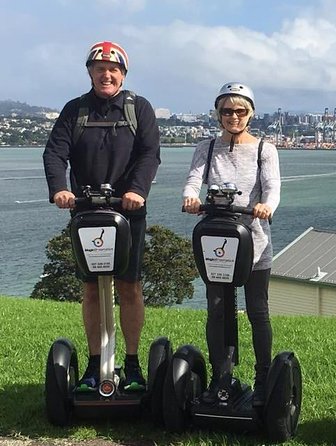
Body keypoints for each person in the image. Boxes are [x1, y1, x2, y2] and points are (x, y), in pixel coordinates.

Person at [43, 41, 161, 391]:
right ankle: (95, 366)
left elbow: (150, 153)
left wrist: (137, 190)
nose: (106, 74)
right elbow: (54, 153)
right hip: (86, 212)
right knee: (91, 290)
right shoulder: (74, 110)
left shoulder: (139, 108)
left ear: (123, 73)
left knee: (130, 287)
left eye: (113, 69)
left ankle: (132, 364)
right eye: (99, 69)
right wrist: (59, 190)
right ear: (90, 73)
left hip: (128, 212)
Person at [182, 82, 280, 405]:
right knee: (218, 311)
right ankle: (221, 376)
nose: (233, 117)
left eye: (240, 111)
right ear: (218, 114)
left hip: (254, 241)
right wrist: (190, 197)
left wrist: (267, 206)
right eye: (227, 111)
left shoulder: (265, 149)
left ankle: (263, 376)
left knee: (257, 311)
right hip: (218, 242)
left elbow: (272, 189)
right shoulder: (207, 148)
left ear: (250, 113)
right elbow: (194, 180)